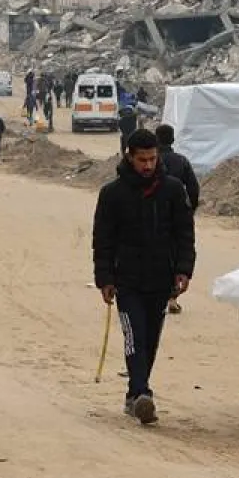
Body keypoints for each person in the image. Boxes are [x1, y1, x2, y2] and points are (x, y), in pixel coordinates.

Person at [92, 128, 196, 425]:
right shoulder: (112, 194)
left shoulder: (173, 190)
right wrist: (104, 278)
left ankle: (134, 395)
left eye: (152, 159)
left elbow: (184, 234)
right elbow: (103, 239)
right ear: (130, 157)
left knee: (150, 339)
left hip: (161, 280)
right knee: (134, 336)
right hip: (127, 281)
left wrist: (183, 269)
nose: (148, 165)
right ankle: (141, 393)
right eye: (142, 160)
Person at [154, 123, 200, 314]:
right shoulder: (181, 161)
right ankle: (171, 296)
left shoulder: (151, 162)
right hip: (178, 215)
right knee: (177, 254)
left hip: (154, 215)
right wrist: (190, 210)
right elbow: (194, 188)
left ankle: (156, 295)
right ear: (172, 140)